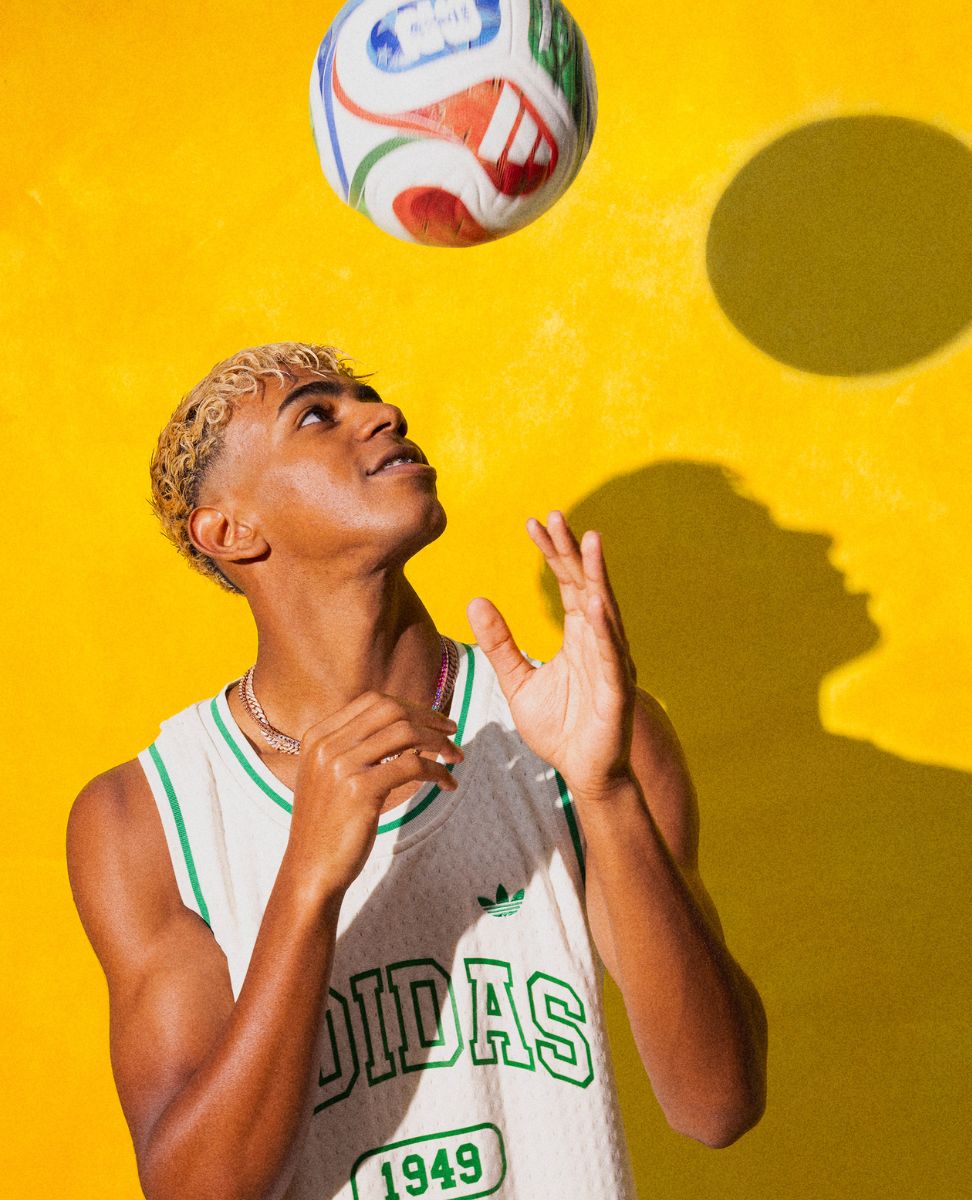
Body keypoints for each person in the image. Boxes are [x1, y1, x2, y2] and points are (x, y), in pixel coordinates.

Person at [66, 342, 767, 1200]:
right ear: (232, 530)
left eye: (372, 398)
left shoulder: (579, 735)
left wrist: (605, 793)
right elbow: (197, 1192)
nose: (382, 415)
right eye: (317, 415)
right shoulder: (147, 816)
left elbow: (717, 1105)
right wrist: (307, 881)